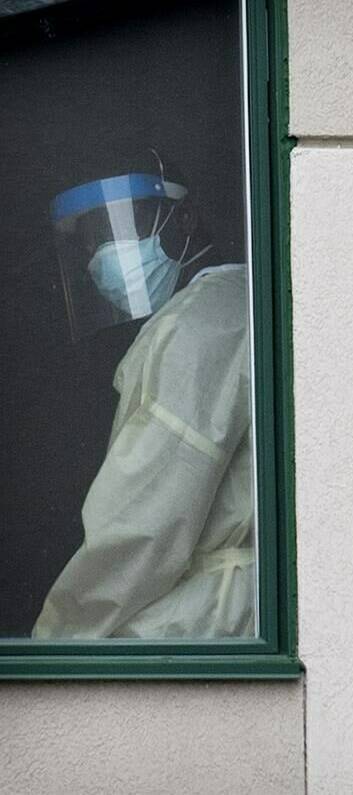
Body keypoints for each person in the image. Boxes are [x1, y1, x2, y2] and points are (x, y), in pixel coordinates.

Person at [32, 150, 255, 639]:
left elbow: (140, 529)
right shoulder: (242, 302)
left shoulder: (190, 330)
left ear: (185, 219)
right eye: (91, 239)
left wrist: (56, 642)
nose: (100, 254)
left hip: (209, 623)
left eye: (115, 229)